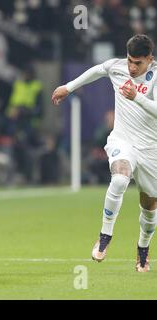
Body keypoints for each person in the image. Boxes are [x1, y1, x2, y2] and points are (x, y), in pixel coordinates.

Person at [52, 34, 157, 272]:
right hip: (123, 139)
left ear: (149, 59)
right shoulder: (117, 67)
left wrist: (137, 97)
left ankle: (143, 248)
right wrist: (67, 88)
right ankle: (104, 236)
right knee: (119, 178)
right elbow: (96, 71)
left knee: (150, 205)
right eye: (130, 60)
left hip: (151, 148)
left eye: (138, 63)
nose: (131, 67)